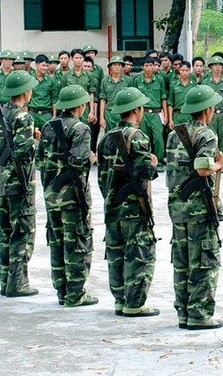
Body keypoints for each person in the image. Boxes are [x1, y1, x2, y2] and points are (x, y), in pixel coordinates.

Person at [165, 85, 223, 330]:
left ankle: (183, 312)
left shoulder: (174, 134)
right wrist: (219, 164)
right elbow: (202, 168)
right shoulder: (207, 134)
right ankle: (199, 316)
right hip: (200, 209)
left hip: (178, 207)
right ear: (208, 110)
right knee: (204, 262)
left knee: (182, 262)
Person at [98, 87, 161, 318]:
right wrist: (153, 164)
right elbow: (146, 171)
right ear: (136, 109)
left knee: (115, 252)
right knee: (139, 253)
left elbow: (101, 176)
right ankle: (135, 304)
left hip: (112, 204)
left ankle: (120, 300)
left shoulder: (106, 138)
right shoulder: (137, 137)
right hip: (135, 208)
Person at [38, 84, 98, 307]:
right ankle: (75, 293)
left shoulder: (47, 126)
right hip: (72, 196)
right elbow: (80, 161)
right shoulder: (80, 128)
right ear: (80, 105)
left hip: (52, 193)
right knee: (77, 243)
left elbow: (41, 159)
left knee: (57, 242)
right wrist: (91, 158)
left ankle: (61, 291)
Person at [0, 70, 40, 297]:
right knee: (22, 233)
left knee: (5, 232)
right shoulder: (23, 118)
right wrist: (37, 141)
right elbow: (24, 152)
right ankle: (18, 284)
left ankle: (5, 281)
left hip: (0, 181)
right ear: (24, 92)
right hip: (20, 182)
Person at [131, 56, 167, 164]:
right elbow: (134, 98)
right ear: (142, 67)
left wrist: (165, 114)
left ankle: (159, 161)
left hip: (157, 112)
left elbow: (163, 97)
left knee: (158, 138)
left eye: (151, 65)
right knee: (144, 137)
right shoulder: (137, 80)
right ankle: (146, 160)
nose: (149, 68)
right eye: (146, 65)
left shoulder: (159, 79)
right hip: (143, 112)